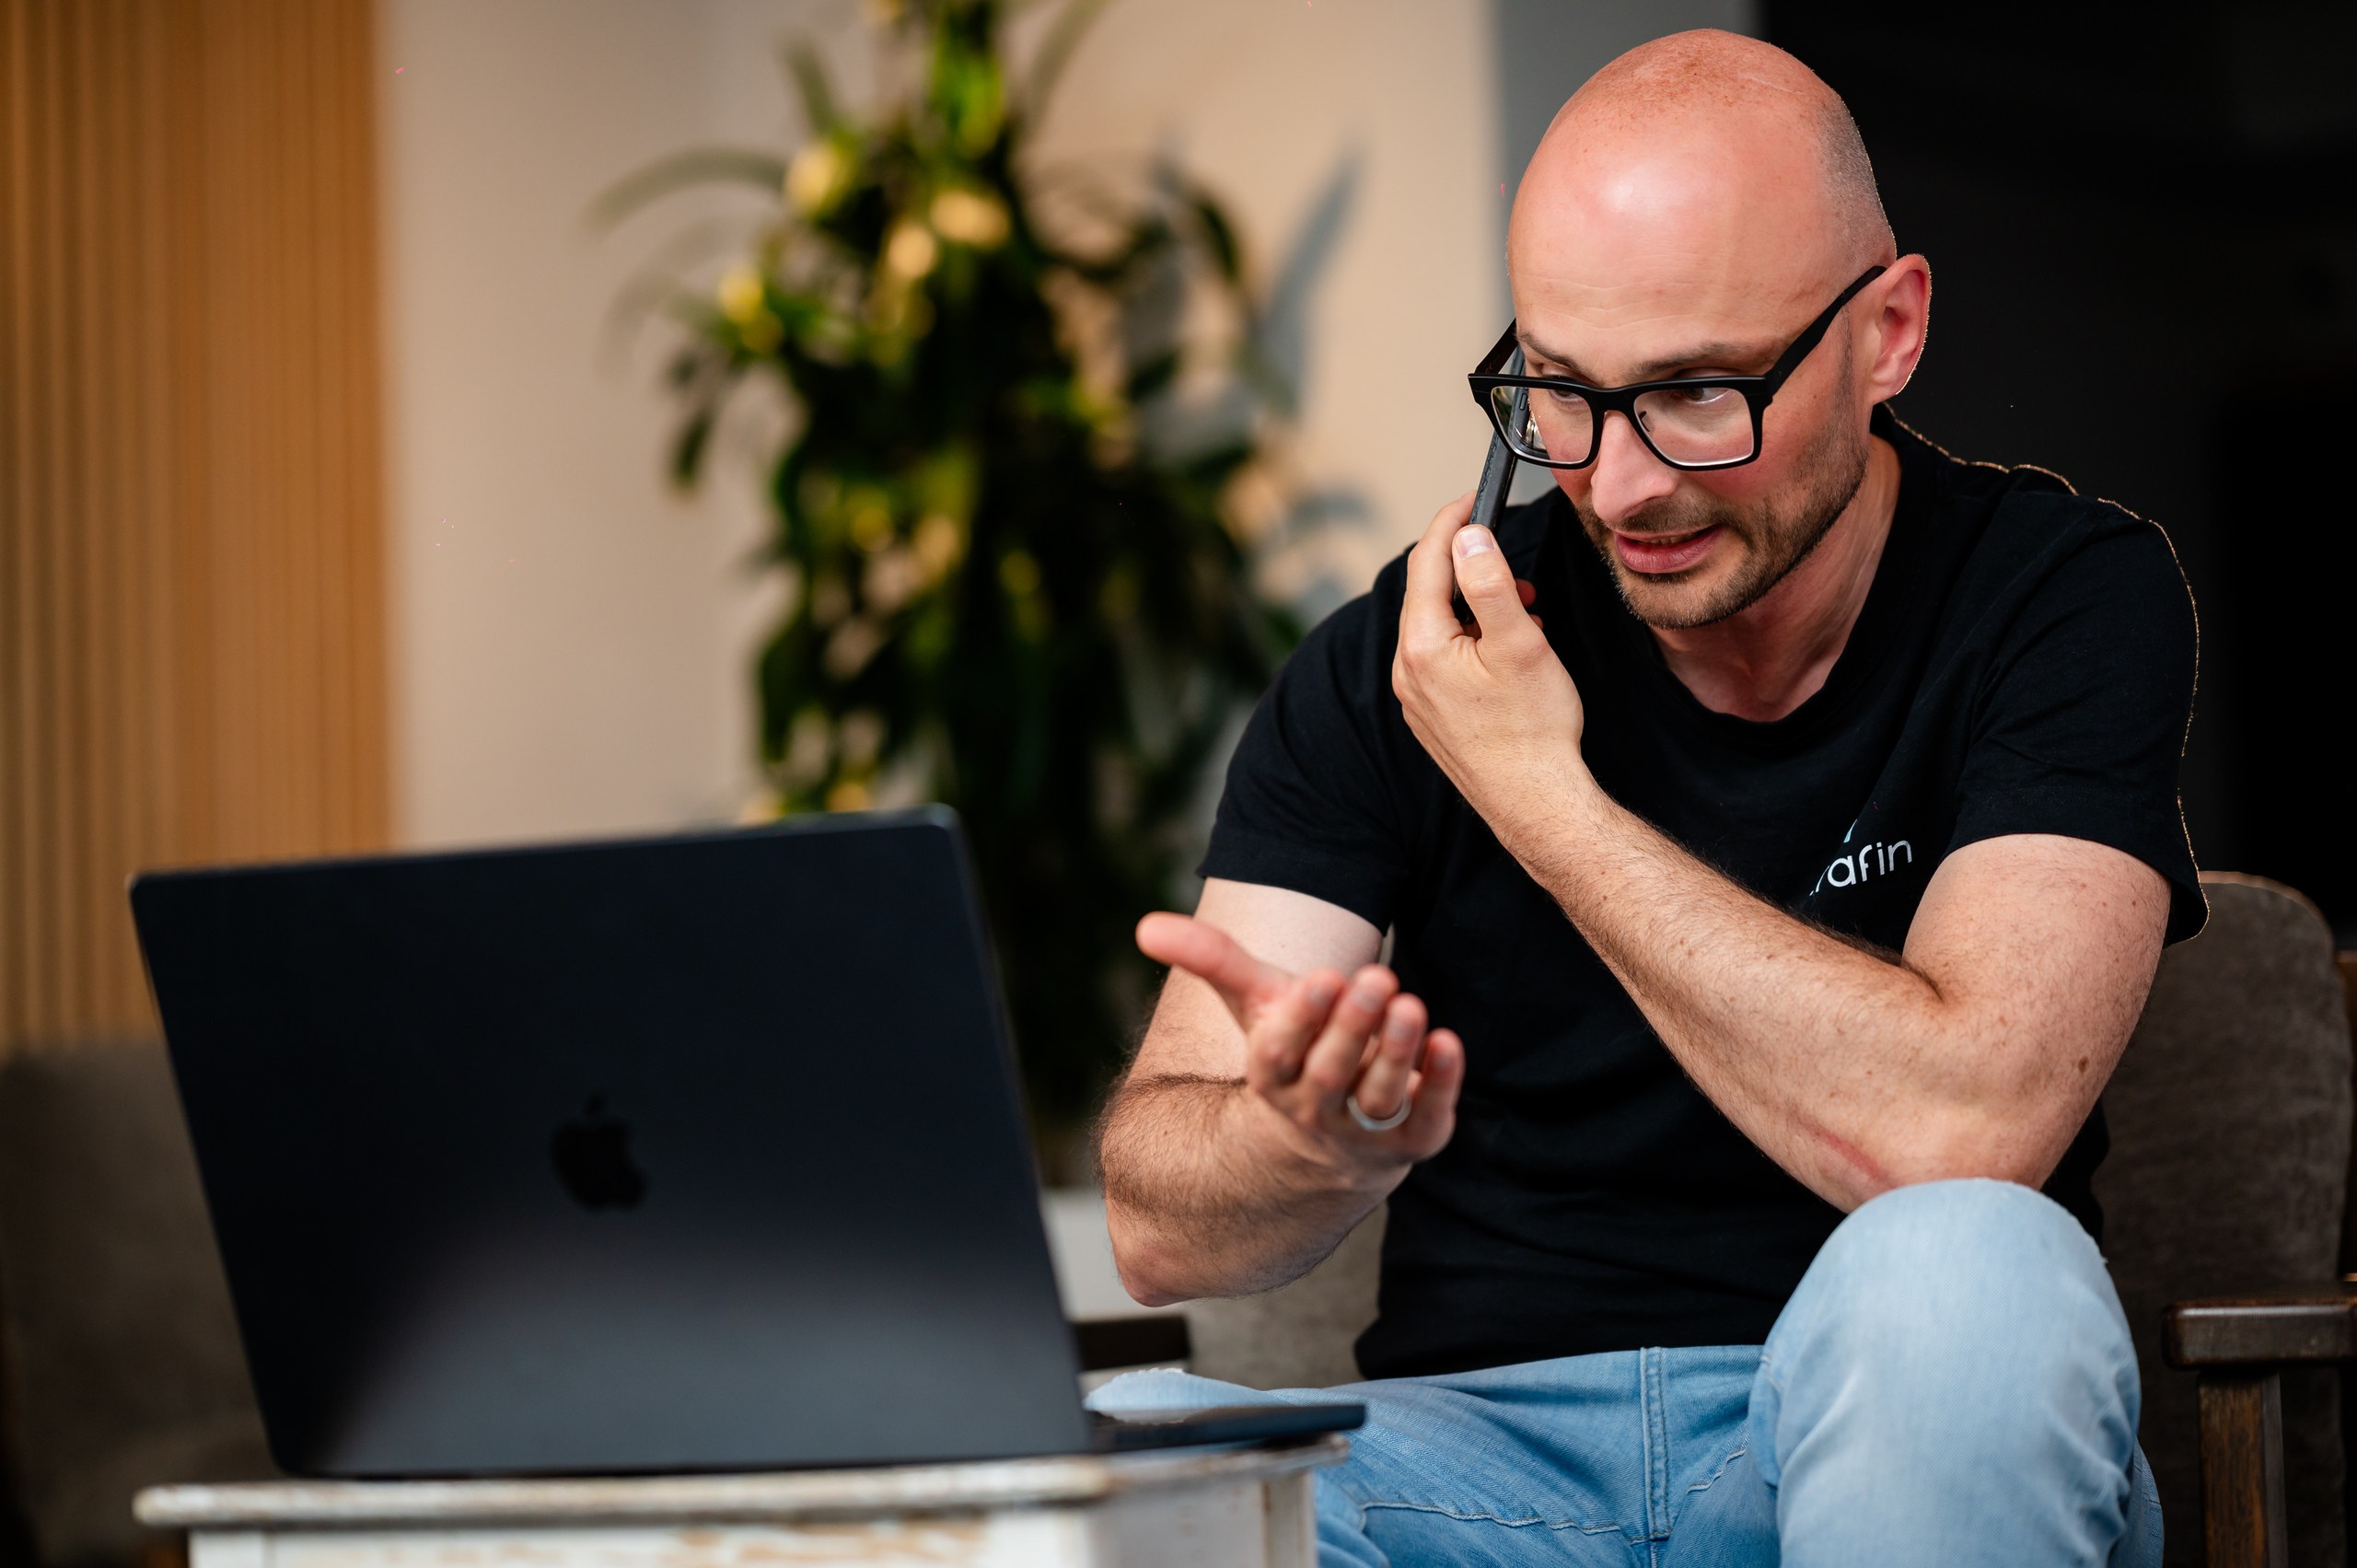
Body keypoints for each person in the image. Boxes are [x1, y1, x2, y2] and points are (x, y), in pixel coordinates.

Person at [1091, 27, 2199, 1568]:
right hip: (1473, 1477)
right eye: (1559, 391)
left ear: (1889, 332)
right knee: (1130, 1465)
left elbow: (1963, 1129)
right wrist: (1306, 1146)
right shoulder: (1407, 654)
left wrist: (1540, 798)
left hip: (1866, 1435)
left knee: (1969, 1267)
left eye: (1697, 393)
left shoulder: (2059, 600)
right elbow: (1153, 1228)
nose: (1615, 486)